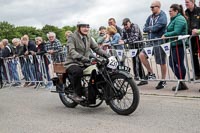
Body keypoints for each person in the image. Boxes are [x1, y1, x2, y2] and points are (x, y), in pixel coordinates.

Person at [65, 21, 109, 102]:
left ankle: (94, 92)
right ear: (78, 28)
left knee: (99, 70)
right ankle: (76, 94)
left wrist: (106, 55)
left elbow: (96, 48)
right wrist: (82, 58)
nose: (86, 29)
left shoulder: (88, 36)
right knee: (77, 72)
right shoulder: (72, 37)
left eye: (87, 27)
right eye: (83, 27)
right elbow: (72, 51)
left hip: (85, 62)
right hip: (73, 62)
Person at [139, 0, 168, 89]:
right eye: (150, 7)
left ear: (158, 7)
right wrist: (150, 29)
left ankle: (163, 80)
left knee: (161, 62)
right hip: (150, 41)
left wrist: (150, 28)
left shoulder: (163, 16)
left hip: (159, 41)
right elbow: (144, 28)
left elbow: (157, 27)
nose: (151, 9)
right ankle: (151, 73)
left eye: (153, 7)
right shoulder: (150, 17)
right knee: (141, 55)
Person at [162, 4, 188, 91]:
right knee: (172, 63)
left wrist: (166, 35)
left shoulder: (179, 19)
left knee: (179, 63)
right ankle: (181, 81)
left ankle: (181, 82)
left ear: (176, 11)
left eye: (171, 11)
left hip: (178, 44)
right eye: (169, 11)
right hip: (173, 45)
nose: (169, 12)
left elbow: (177, 31)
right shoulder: (174, 19)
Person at [119, 18, 147, 86]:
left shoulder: (135, 26)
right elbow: (122, 37)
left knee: (138, 62)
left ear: (129, 22)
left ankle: (141, 78)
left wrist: (125, 41)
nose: (125, 26)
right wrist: (121, 40)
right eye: (124, 25)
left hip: (139, 46)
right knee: (135, 62)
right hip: (132, 48)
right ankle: (141, 77)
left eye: (126, 24)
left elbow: (135, 37)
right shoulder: (124, 29)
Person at [185, 0, 200, 80]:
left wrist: (198, 31)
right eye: (185, 2)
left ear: (192, 2)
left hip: (198, 36)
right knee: (193, 57)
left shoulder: (199, 10)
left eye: (187, 2)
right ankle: (197, 74)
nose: (186, 4)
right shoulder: (185, 13)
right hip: (191, 38)